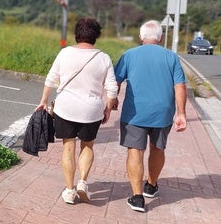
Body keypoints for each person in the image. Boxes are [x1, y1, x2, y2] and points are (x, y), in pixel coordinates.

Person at [36, 18, 117, 205]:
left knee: (68, 147)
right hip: (92, 110)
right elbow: (112, 89)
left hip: (66, 108)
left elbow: (51, 79)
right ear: (96, 36)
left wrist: (43, 101)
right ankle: (82, 182)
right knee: (87, 146)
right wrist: (107, 110)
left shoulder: (65, 53)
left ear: (76, 34)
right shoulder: (103, 58)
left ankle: (70, 190)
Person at [114, 20, 187, 213]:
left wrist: (111, 102)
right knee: (157, 149)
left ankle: (137, 198)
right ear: (161, 38)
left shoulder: (129, 55)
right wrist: (181, 113)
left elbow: (116, 81)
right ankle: (151, 185)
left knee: (135, 151)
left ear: (140, 37)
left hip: (135, 112)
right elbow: (179, 85)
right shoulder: (171, 57)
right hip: (163, 113)